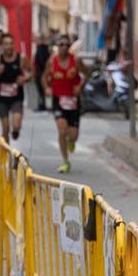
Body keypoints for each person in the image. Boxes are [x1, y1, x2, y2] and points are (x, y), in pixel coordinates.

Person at [43, 34, 84, 173]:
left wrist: (80, 86)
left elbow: (87, 74)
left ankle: (71, 142)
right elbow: (44, 77)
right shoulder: (52, 62)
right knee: (62, 130)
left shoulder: (76, 60)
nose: (64, 47)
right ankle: (65, 161)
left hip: (73, 101)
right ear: (57, 46)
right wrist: (47, 88)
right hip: (58, 100)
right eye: (61, 44)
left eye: (67, 45)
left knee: (73, 135)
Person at [0, 33, 33, 144]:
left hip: (16, 97)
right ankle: (6, 158)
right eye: (6, 44)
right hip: (2, 98)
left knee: (16, 125)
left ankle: (16, 131)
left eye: (11, 44)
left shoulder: (21, 58)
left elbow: (32, 72)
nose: (9, 47)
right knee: (5, 129)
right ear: (1, 46)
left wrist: (25, 78)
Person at [32, 32, 51, 111]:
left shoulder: (41, 49)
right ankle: (42, 104)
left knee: (41, 91)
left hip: (40, 73)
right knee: (42, 91)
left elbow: (42, 62)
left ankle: (42, 105)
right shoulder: (46, 49)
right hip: (42, 72)